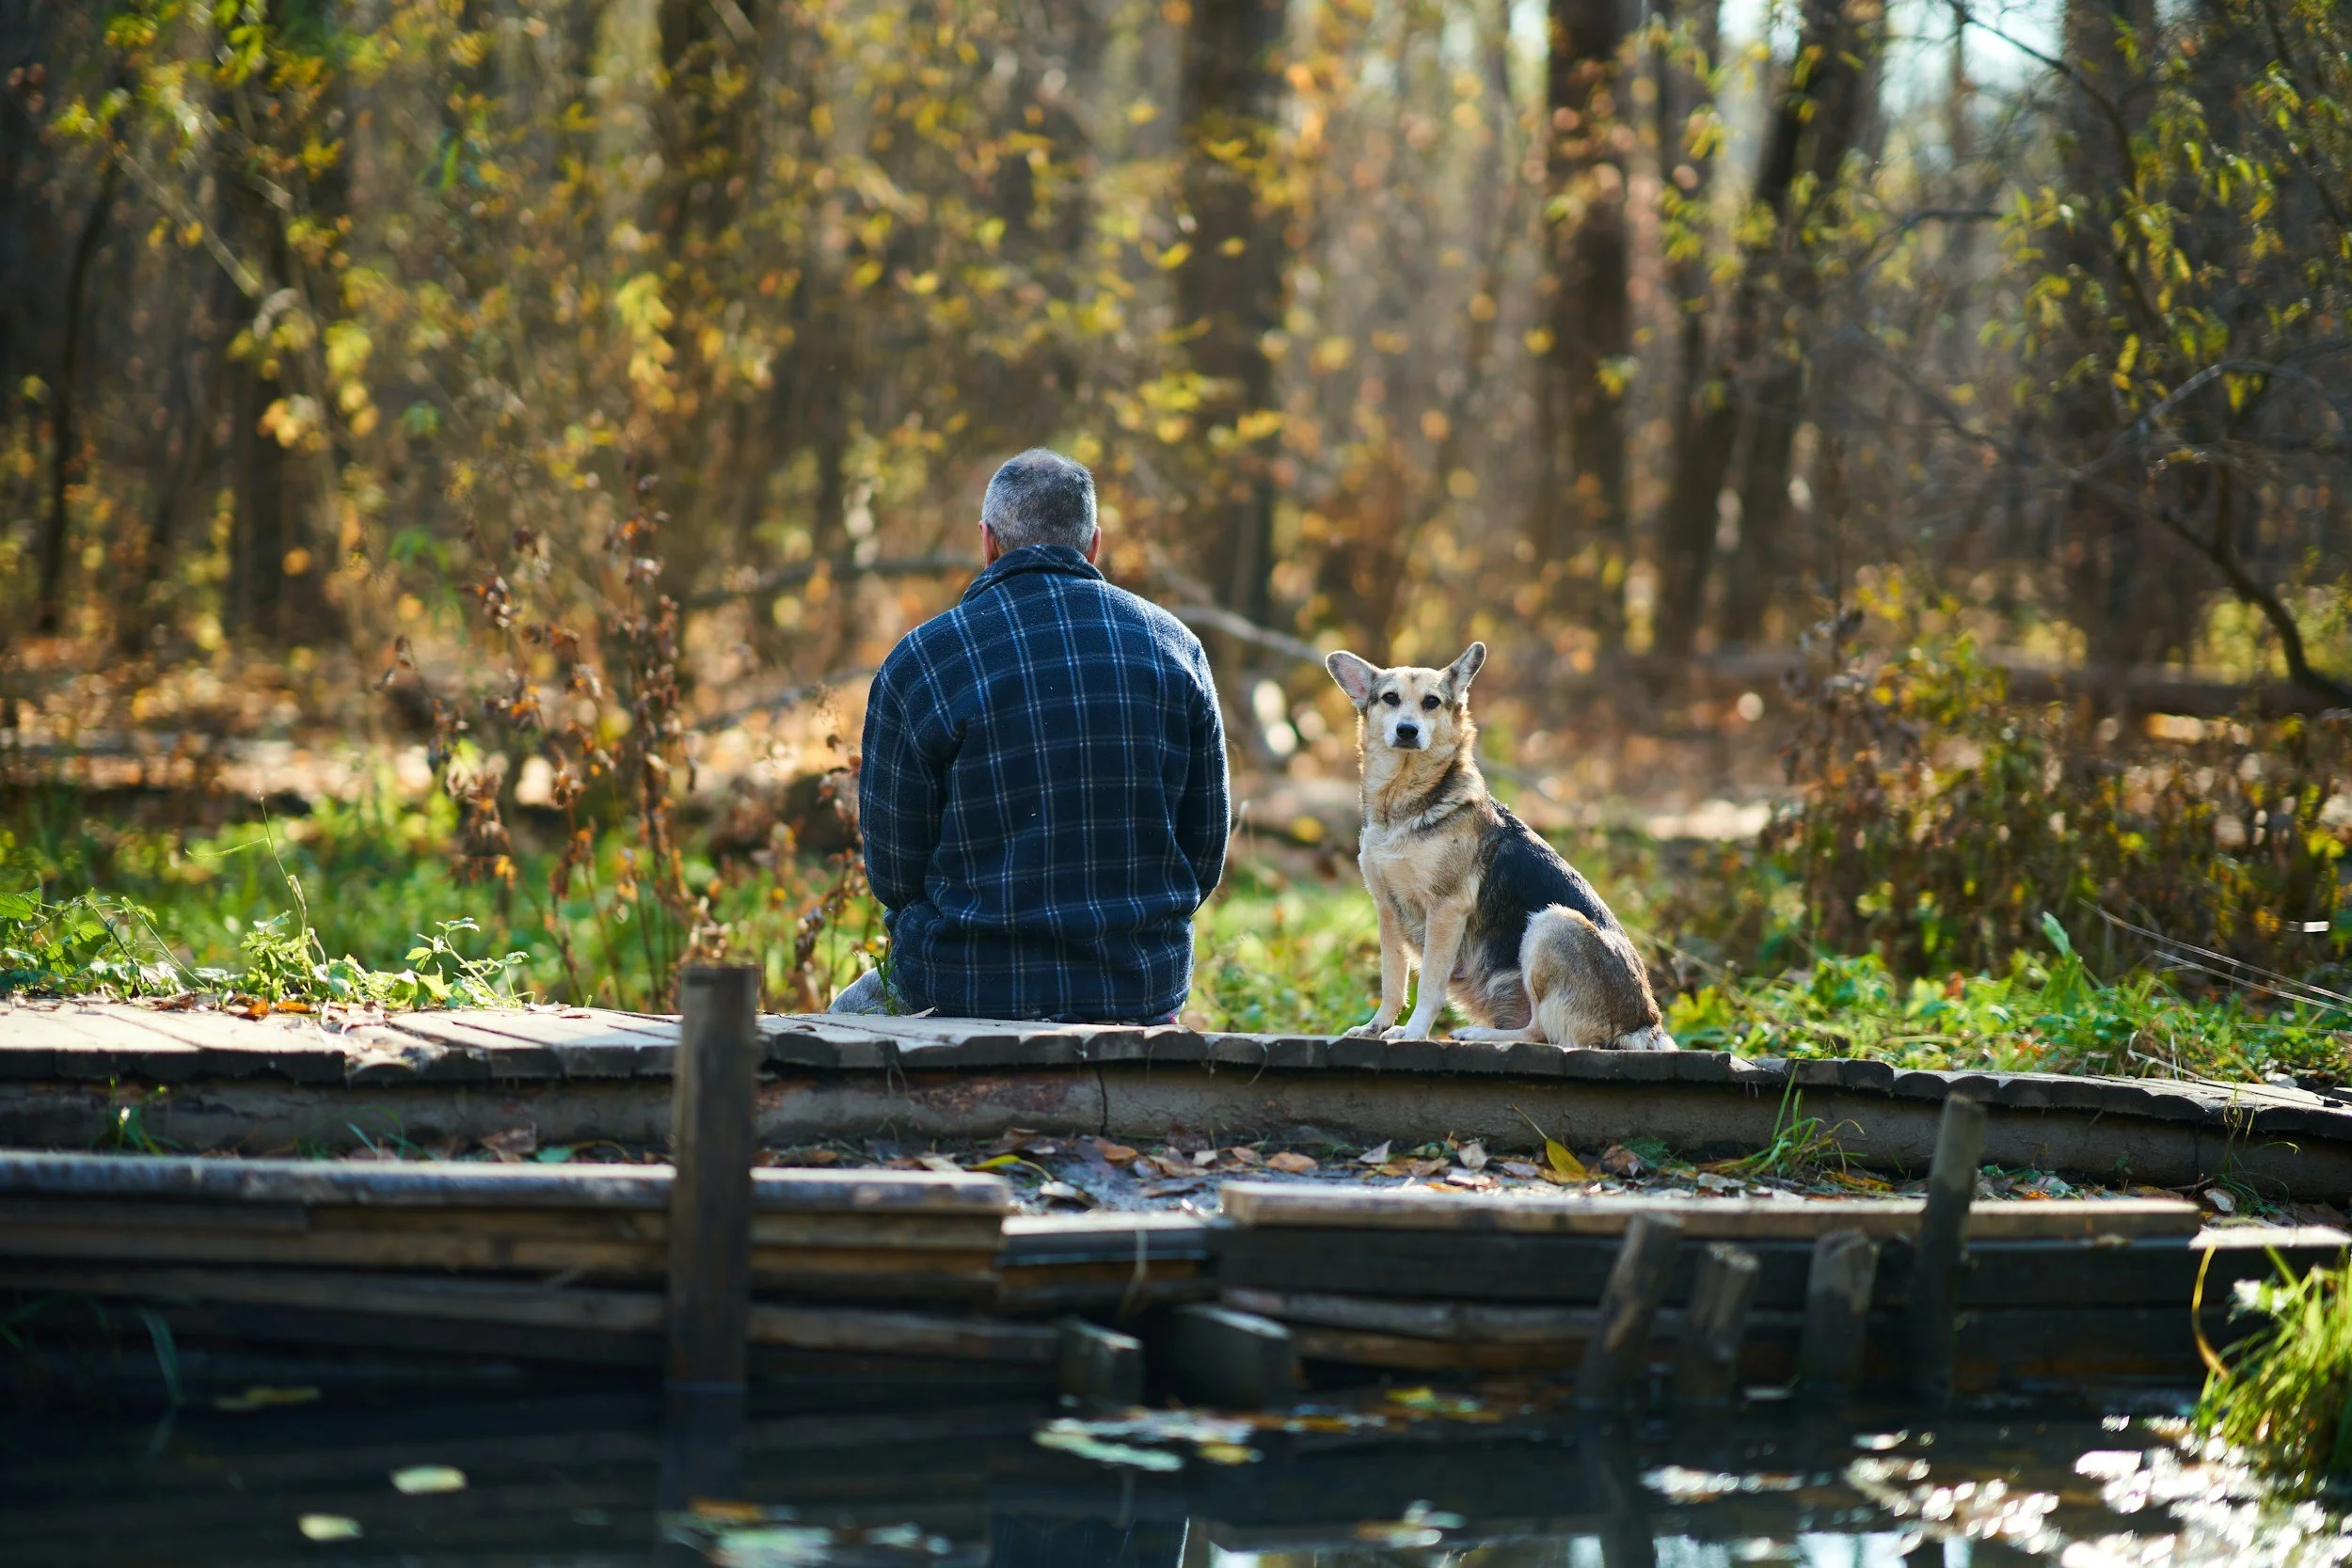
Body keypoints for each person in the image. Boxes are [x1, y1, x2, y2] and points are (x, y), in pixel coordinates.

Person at [832, 448, 1230, 1022]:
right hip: (1137, 987)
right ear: (1094, 543)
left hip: (963, 983)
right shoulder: (1176, 648)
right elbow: (1205, 851)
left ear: (988, 541)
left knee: (844, 1019)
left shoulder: (922, 660)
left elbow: (895, 873)